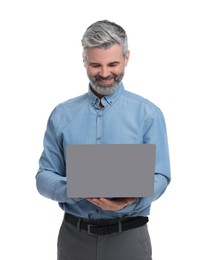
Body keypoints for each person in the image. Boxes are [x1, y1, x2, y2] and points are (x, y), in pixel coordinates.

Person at [35, 20, 171, 260]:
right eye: (96, 65)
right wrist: (75, 188)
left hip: (129, 238)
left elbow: (160, 175)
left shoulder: (148, 114)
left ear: (127, 59)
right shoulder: (62, 114)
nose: (105, 73)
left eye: (113, 64)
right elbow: (44, 177)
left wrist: (130, 201)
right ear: (84, 61)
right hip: (74, 239)